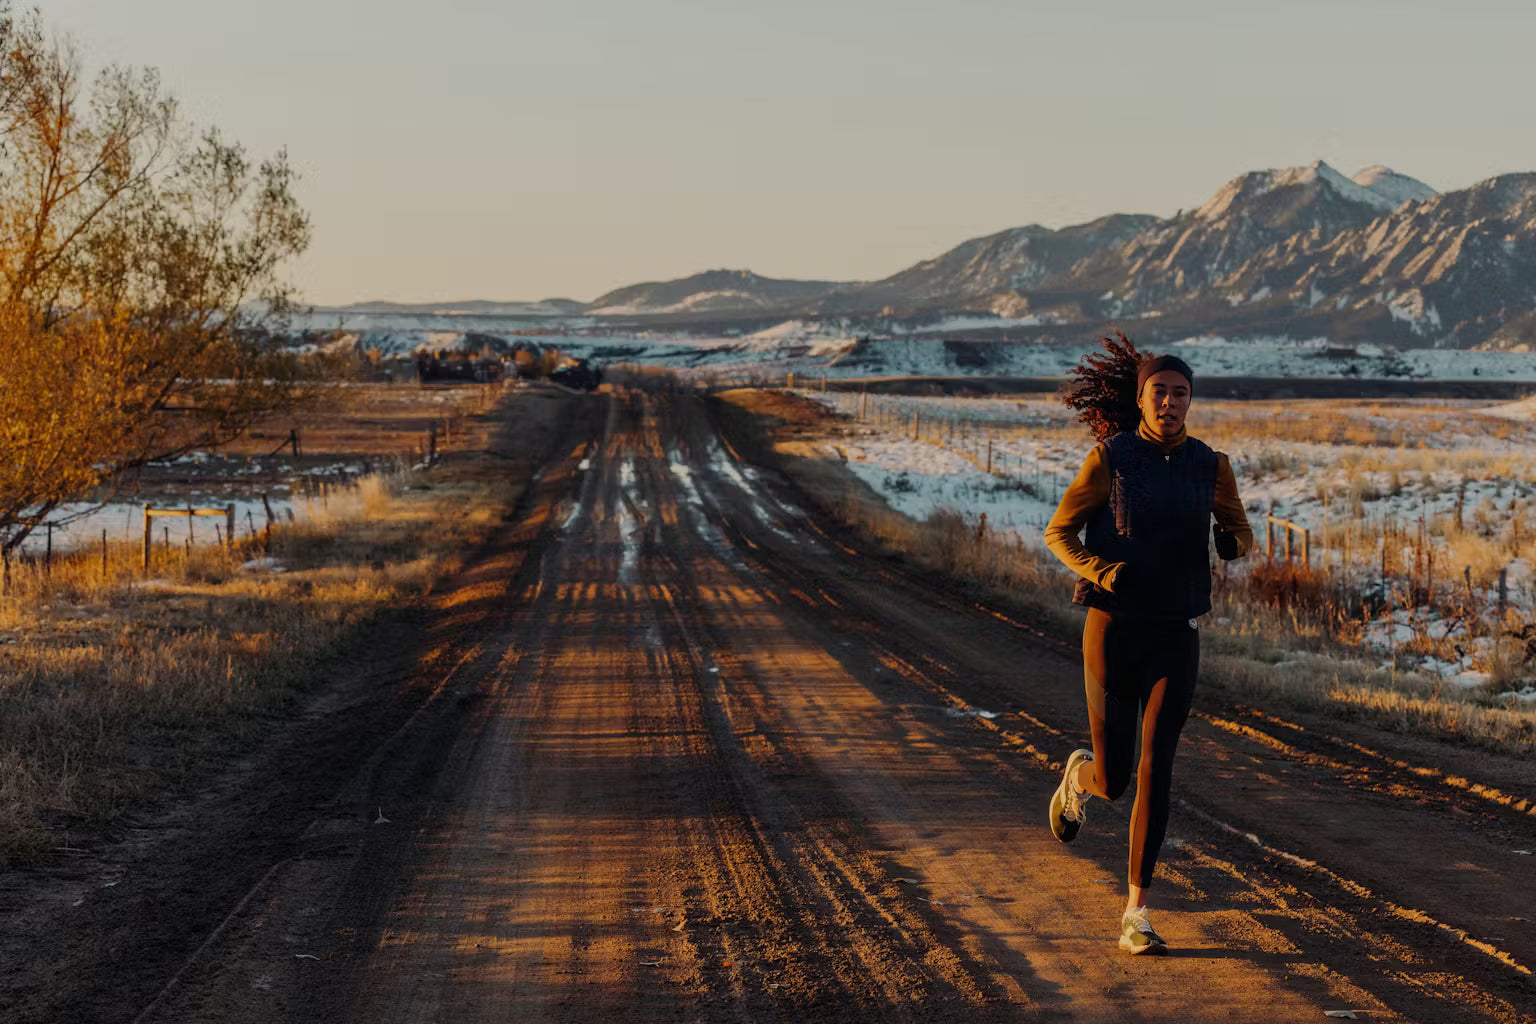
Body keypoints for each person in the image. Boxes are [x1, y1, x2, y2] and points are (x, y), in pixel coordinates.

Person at [1042, 332, 1253, 955]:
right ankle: (1081, 779)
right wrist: (1102, 571)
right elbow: (1059, 533)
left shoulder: (1211, 464)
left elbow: (1239, 527)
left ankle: (1136, 910)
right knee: (1117, 780)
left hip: (1176, 633)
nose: (1170, 403)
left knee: (1158, 768)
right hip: (1111, 630)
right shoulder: (1110, 458)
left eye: (1180, 394)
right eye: (1159, 392)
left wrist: (1232, 543)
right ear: (1140, 399)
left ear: (1191, 402)